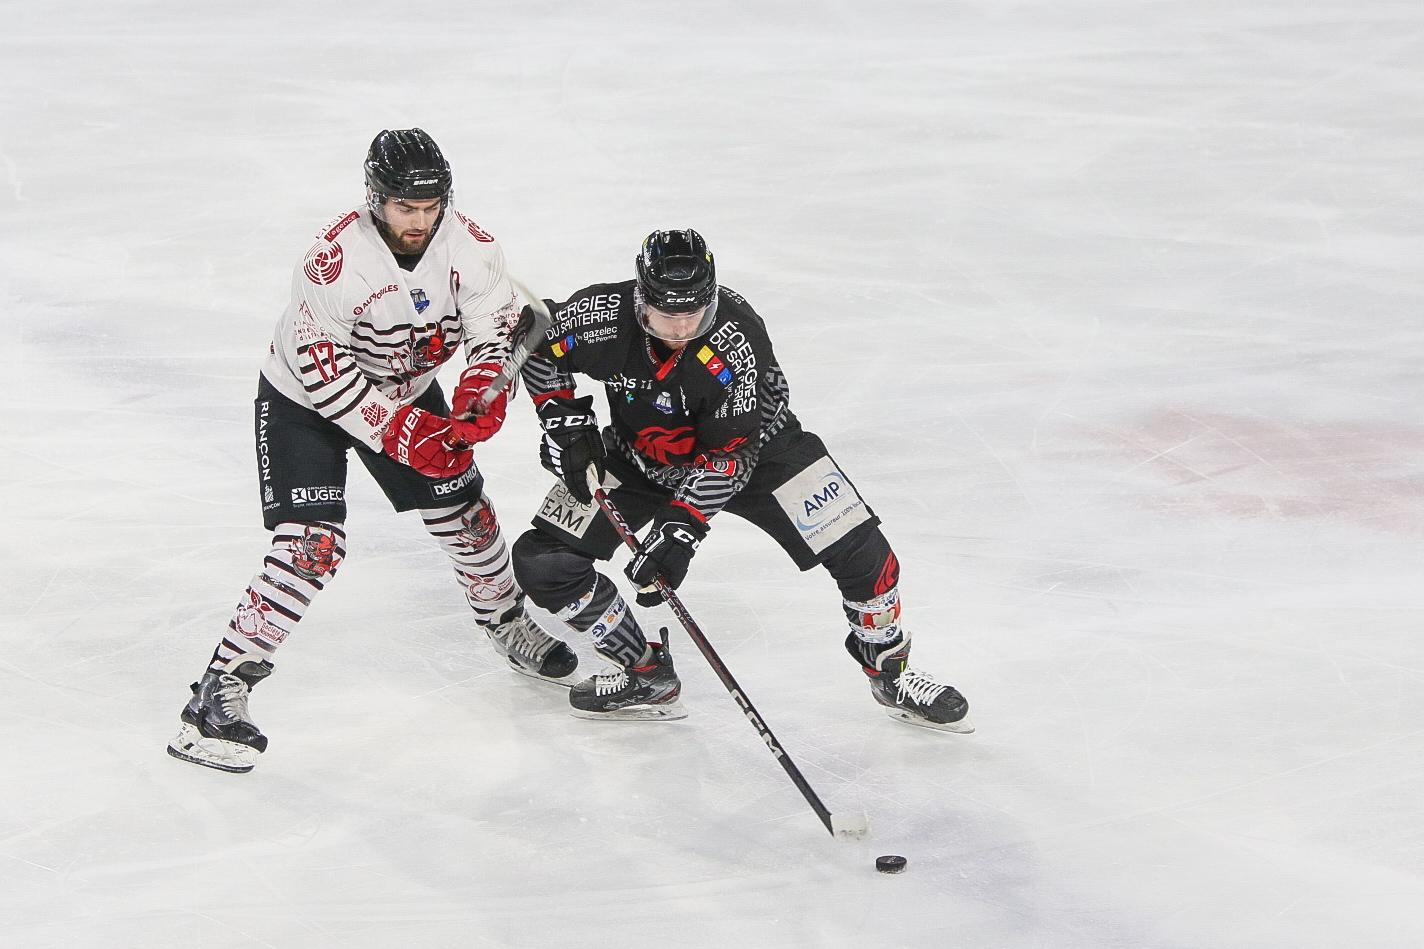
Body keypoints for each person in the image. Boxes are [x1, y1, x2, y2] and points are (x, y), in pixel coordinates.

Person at [167, 129, 578, 773]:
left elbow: (494, 328)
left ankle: (506, 623)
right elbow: (321, 370)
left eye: (428, 207)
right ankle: (217, 697)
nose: (418, 221)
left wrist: (479, 388)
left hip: (406, 388)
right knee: (311, 546)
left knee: (468, 514)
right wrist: (409, 437)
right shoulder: (333, 263)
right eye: (403, 208)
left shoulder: (471, 248)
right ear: (375, 199)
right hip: (305, 403)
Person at [509, 229, 971, 732]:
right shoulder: (601, 316)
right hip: (641, 453)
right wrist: (564, 422)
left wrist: (681, 531)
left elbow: (732, 455)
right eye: (668, 315)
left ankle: (889, 667)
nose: (682, 327)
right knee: (545, 562)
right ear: (640, 300)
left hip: (759, 450)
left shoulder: (737, 337)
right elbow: (535, 341)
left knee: (864, 552)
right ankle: (644, 672)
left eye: (695, 313)